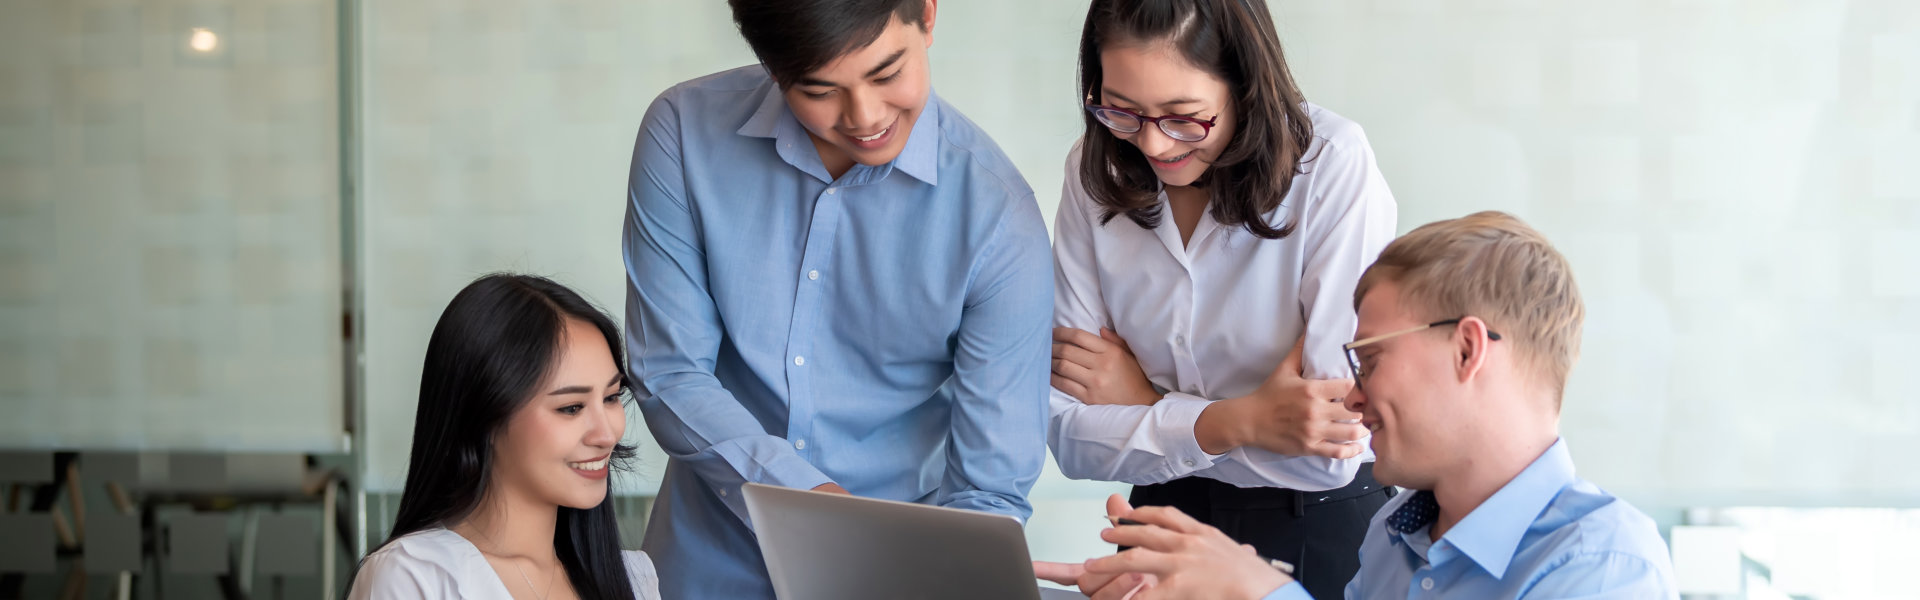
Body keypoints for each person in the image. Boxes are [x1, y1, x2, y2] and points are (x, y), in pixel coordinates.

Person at [622, 0, 1052, 596]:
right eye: (819, 89)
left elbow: (989, 488)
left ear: (927, 16)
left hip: (892, 580)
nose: (865, 116)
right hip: (703, 568)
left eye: (886, 73)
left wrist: (922, 568)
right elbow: (669, 370)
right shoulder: (683, 132)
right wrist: (816, 508)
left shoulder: (998, 217)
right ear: (772, 67)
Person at [1050, 212, 1678, 599]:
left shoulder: (1603, 567)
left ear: (1466, 350)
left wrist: (1262, 593)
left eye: (1370, 361)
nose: (1352, 396)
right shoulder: (1392, 536)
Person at [1041, 0, 1396, 596]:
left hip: (1315, 526)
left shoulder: (1331, 166)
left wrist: (1147, 401)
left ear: (1245, 87)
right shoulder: (1092, 171)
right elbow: (1072, 438)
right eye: (1121, 111)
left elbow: (1331, 448)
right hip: (1161, 522)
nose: (1152, 144)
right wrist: (1246, 420)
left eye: (1184, 117)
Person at [349, 273, 659, 600]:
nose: (607, 434)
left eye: (611, 397)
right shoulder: (415, 577)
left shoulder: (635, 580)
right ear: (485, 417)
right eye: (571, 408)